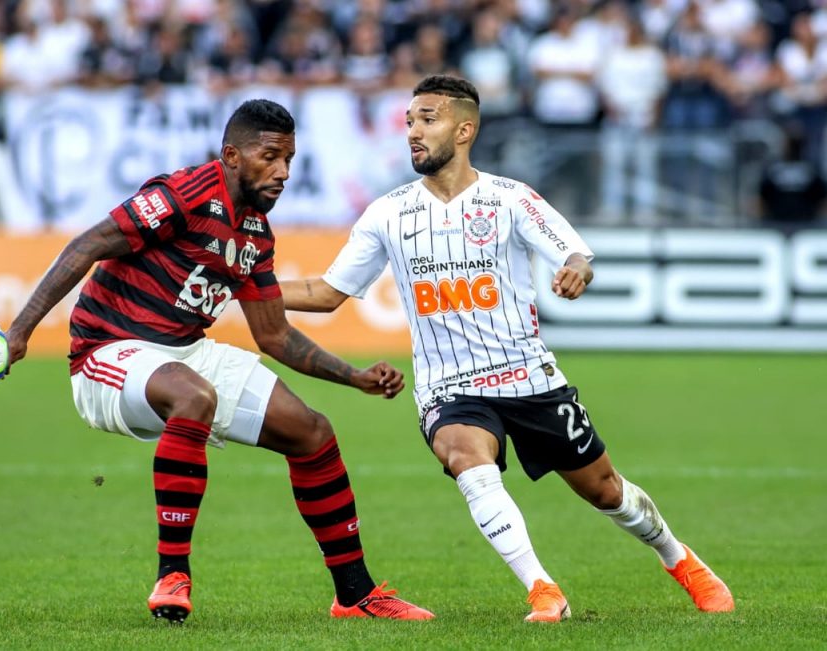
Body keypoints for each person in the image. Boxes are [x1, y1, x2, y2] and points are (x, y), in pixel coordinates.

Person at [280, 75, 735, 622]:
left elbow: (575, 255)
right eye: (409, 121)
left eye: (428, 119)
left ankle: (679, 559)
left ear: (464, 128)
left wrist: (574, 272)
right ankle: (543, 589)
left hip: (529, 376)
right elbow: (326, 293)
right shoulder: (387, 214)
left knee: (605, 490)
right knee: (467, 458)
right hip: (449, 387)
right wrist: (245, 283)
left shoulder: (510, 198)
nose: (413, 133)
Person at [5, 99, 433, 624]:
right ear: (232, 154)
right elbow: (88, 243)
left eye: (290, 160)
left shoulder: (256, 233)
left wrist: (355, 377)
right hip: (106, 350)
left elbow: (274, 336)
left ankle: (356, 594)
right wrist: (20, 332)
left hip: (185, 350)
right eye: (270, 156)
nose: (282, 172)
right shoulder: (183, 195)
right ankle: (172, 574)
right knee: (194, 395)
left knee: (312, 432)